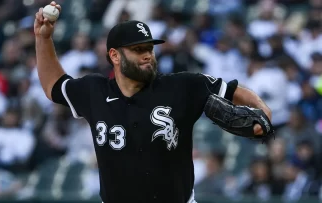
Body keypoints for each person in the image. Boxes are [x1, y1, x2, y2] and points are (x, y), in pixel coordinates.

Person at [34, 2, 272, 203]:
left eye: (150, 48)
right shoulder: (94, 91)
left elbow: (232, 90)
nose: (148, 54)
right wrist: (43, 38)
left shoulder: (182, 86)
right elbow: (53, 85)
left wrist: (263, 110)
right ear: (115, 56)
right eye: (138, 49)